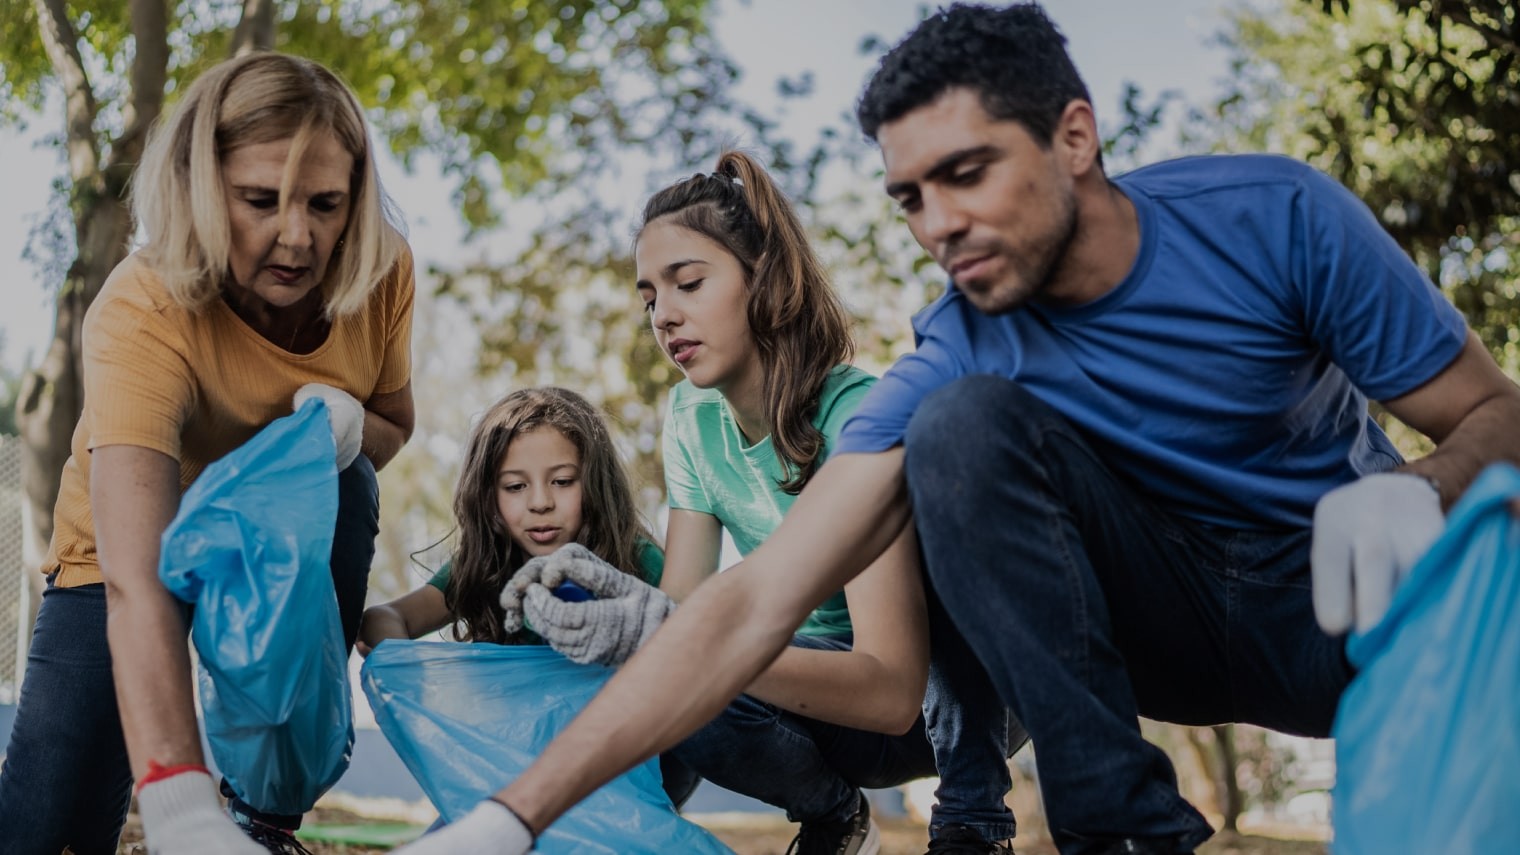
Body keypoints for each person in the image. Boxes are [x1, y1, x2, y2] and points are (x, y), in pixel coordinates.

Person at [393, 4, 1520, 855]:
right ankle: (1121, 831)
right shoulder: (958, 345)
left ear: (1071, 136)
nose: (937, 224)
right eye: (909, 197)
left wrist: (1420, 487)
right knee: (961, 429)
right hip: (1153, 626)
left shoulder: (1273, 219)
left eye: (964, 174)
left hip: (1337, 601)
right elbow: (751, 597)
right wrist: (512, 816)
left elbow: (1496, 417)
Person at [535, 150, 1022, 854]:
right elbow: (679, 612)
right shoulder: (689, 419)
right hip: (828, 704)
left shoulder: (860, 417)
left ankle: (974, 823)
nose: (664, 316)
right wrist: (642, 632)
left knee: (693, 642)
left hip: (946, 700)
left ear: (763, 278)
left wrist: (702, 643)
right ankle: (834, 817)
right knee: (670, 654)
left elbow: (890, 691)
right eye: (649, 299)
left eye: (689, 283)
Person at [0, 53, 416, 855]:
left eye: (326, 204)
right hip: (127, 543)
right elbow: (137, 579)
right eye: (260, 200)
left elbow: (394, 424)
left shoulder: (379, 270)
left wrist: (351, 428)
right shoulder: (142, 307)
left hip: (269, 536)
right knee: (46, 825)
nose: (298, 236)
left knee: (351, 483)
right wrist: (176, 797)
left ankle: (265, 812)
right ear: (200, 186)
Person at [356, 386, 665, 653]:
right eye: (516, 487)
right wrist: (405, 666)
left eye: (562, 481)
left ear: (597, 484)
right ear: (488, 499)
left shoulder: (636, 559)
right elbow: (384, 617)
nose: (541, 503)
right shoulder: (484, 565)